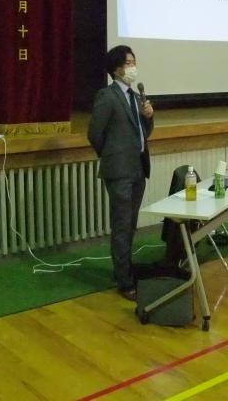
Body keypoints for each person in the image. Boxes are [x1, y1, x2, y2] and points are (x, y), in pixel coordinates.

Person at [87, 45, 154, 301]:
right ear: (116, 69)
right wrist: (112, 156)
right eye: (128, 63)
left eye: (134, 62)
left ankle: (125, 271)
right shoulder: (107, 96)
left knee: (130, 224)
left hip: (138, 167)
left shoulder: (137, 97)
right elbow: (94, 133)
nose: (133, 67)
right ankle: (125, 282)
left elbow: (144, 133)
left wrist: (148, 117)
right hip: (119, 170)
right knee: (121, 225)